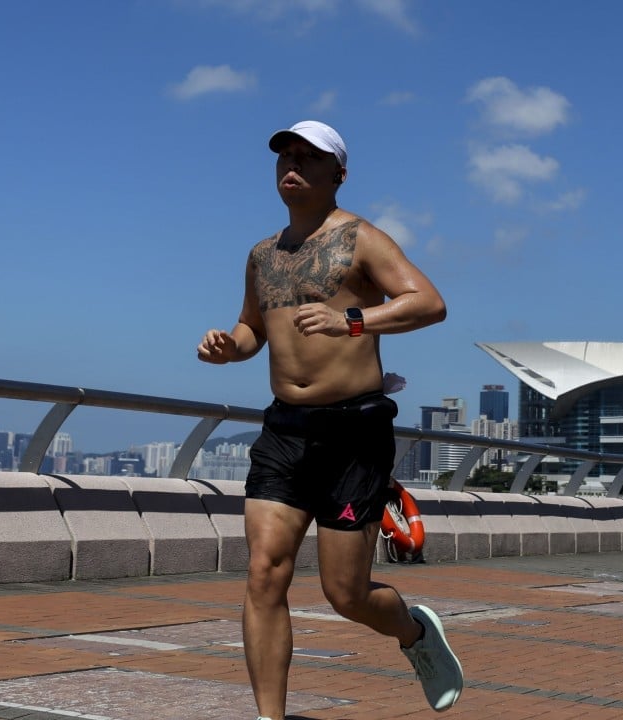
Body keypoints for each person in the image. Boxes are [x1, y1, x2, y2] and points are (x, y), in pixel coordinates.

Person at [197, 120, 462, 718]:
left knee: (345, 594)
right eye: (284, 157)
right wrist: (228, 347)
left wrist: (354, 321)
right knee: (265, 573)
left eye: (307, 158)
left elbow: (429, 302)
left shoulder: (362, 238)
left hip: (353, 431)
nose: (291, 166)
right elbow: (252, 330)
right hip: (284, 429)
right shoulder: (263, 254)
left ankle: (414, 634)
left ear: (337, 173)